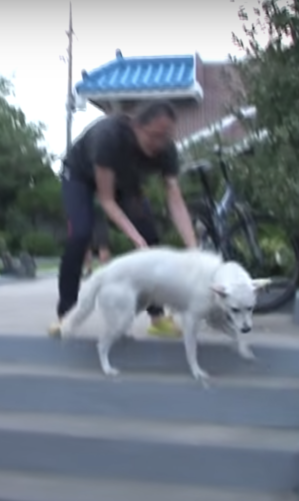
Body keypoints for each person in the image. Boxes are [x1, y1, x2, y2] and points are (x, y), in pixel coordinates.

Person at [51, 100, 198, 337]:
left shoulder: (166, 149)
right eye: (155, 136)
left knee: (151, 240)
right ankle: (66, 316)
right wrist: (135, 239)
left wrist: (193, 248)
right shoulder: (109, 137)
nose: (160, 143)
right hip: (80, 176)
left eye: (166, 136)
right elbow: (107, 200)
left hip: (124, 184)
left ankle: (157, 318)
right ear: (137, 127)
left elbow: (175, 199)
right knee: (80, 234)